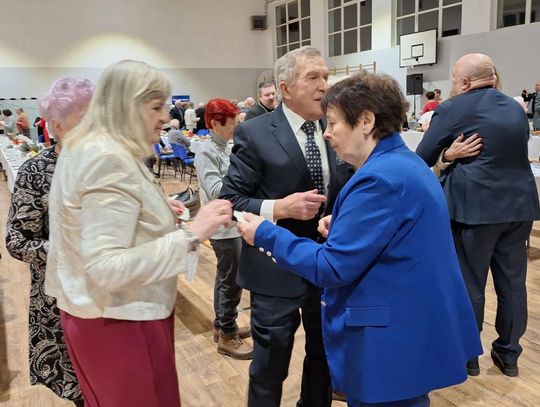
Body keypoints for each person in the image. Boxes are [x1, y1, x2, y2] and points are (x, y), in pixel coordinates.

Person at [236, 72, 482, 407]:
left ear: (365, 121)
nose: (327, 133)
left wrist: (265, 233)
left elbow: (331, 267)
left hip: (390, 341)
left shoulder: (379, 179)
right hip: (410, 328)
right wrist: (345, 224)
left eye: (333, 123)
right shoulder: (402, 163)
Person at [44, 60, 233, 407]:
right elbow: (106, 266)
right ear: (126, 106)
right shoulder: (107, 158)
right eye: (156, 107)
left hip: (108, 314)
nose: (166, 117)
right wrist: (193, 232)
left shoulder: (91, 146)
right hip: (117, 320)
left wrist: (154, 209)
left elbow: (99, 218)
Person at [221, 46, 353, 407]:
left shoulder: (336, 128)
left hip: (327, 266)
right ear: (285, 88)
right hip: (274, 268)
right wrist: (279, 208)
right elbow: (230, 200)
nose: (324, 85)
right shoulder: (255, 132)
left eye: (325, 76)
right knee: (270, 366)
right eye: (313, 77)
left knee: (324, 358)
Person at [416, 53, 540, 377]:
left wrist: (447, 154)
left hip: (475, 210)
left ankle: (468, 356)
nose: (453, 85)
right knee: (513, 285)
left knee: (470, 284)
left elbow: (421, 157)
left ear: (466, 81)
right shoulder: (515, 108)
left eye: (454, 79)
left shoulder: (454, 108)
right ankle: (509, 355)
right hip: (519, 209)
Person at [5, 77, 94, 407]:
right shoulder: (36, 171)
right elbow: (17, 241)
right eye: (84, 117)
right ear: (57, 125)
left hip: (111, 295)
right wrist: (68, 251)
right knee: (82, 388)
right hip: (62, 298)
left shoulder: (106, 164)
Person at [194, 98, 253, 360]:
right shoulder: (206, 152)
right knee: (232, 281)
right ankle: (228, 334)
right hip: (222, 228)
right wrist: (243, 180)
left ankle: (222, 324)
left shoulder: (227, 147)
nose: (235, 129)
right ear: (215, 124)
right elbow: (217, 191)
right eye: (231, 124)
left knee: (226, 277)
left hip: (232, 224)